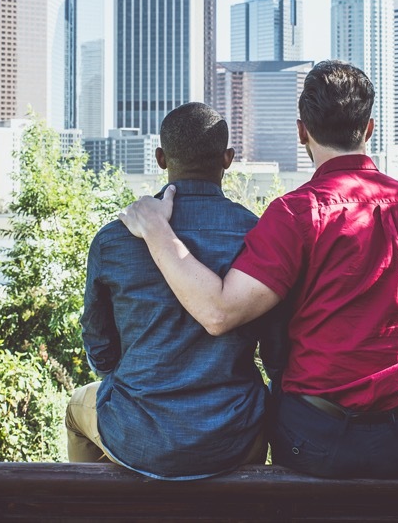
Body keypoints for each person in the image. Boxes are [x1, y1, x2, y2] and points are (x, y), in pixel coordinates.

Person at [118, 60, 398, 478]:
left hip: (322, 442)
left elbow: (218, 312)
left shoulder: (298, 214)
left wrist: (157, 230)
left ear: (303, 131)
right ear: (369, 129)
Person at [65, 102, 270, 479]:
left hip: (137, 434)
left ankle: (86, 503)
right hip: (233, 437)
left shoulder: (115, 239)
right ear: (228, 159)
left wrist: (130, 380)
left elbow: (98, 342)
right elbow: (275, 344)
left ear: (161, 157)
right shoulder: (259, 236)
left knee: (76, 408)